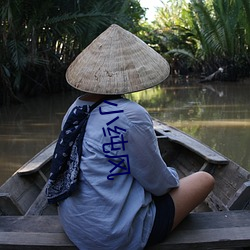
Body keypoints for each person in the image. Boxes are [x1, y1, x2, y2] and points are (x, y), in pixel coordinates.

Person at [46, 24, 214, 249]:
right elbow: (158, 184)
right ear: (131, 73)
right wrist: (173, 175)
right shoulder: (131, 114)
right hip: (114, 235)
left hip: (75, 225)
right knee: (205, 180)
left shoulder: (76, 108)